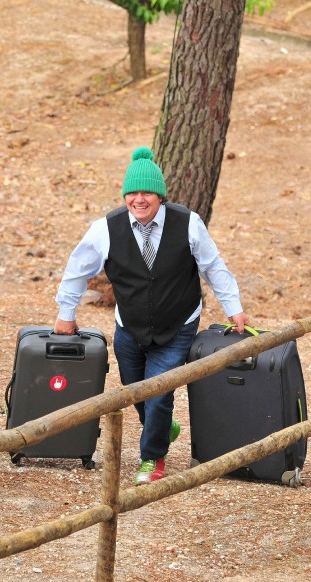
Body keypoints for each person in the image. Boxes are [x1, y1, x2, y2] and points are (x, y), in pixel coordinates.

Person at [54, 147, 250, 485]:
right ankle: (163, 428)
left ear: (160, 195)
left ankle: (152, 458)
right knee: (135, 389)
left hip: (178, 324)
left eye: (147, 192)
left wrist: (233, 307)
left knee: (159, 392)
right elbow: (76, 271)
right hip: (130, 326)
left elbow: (212, 266)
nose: (139, 199)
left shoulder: (188, 223)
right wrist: (65, 313)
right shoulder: (105, 229)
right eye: (133, 192)